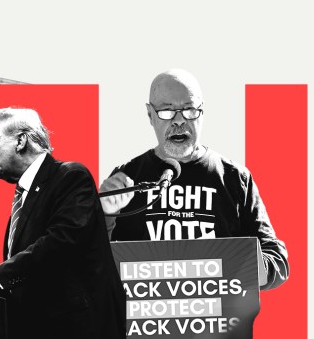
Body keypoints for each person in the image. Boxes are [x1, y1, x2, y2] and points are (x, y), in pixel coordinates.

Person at [99, 69, 289, 289]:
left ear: (202, 111)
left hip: (217, 319)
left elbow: (278, 262)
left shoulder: (235, 179)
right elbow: (88, 263)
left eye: (189, 110)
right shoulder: (125, 179)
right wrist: (104, 215)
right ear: (150, 115)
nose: (179, 121)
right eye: (167, 111)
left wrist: (233, 264)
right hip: (145, 319)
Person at [0, 108, 125, 339]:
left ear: (21, 140)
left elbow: (61, 241)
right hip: (37, 331)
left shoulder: (71, 176)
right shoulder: (25, 193)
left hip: (75, 334)